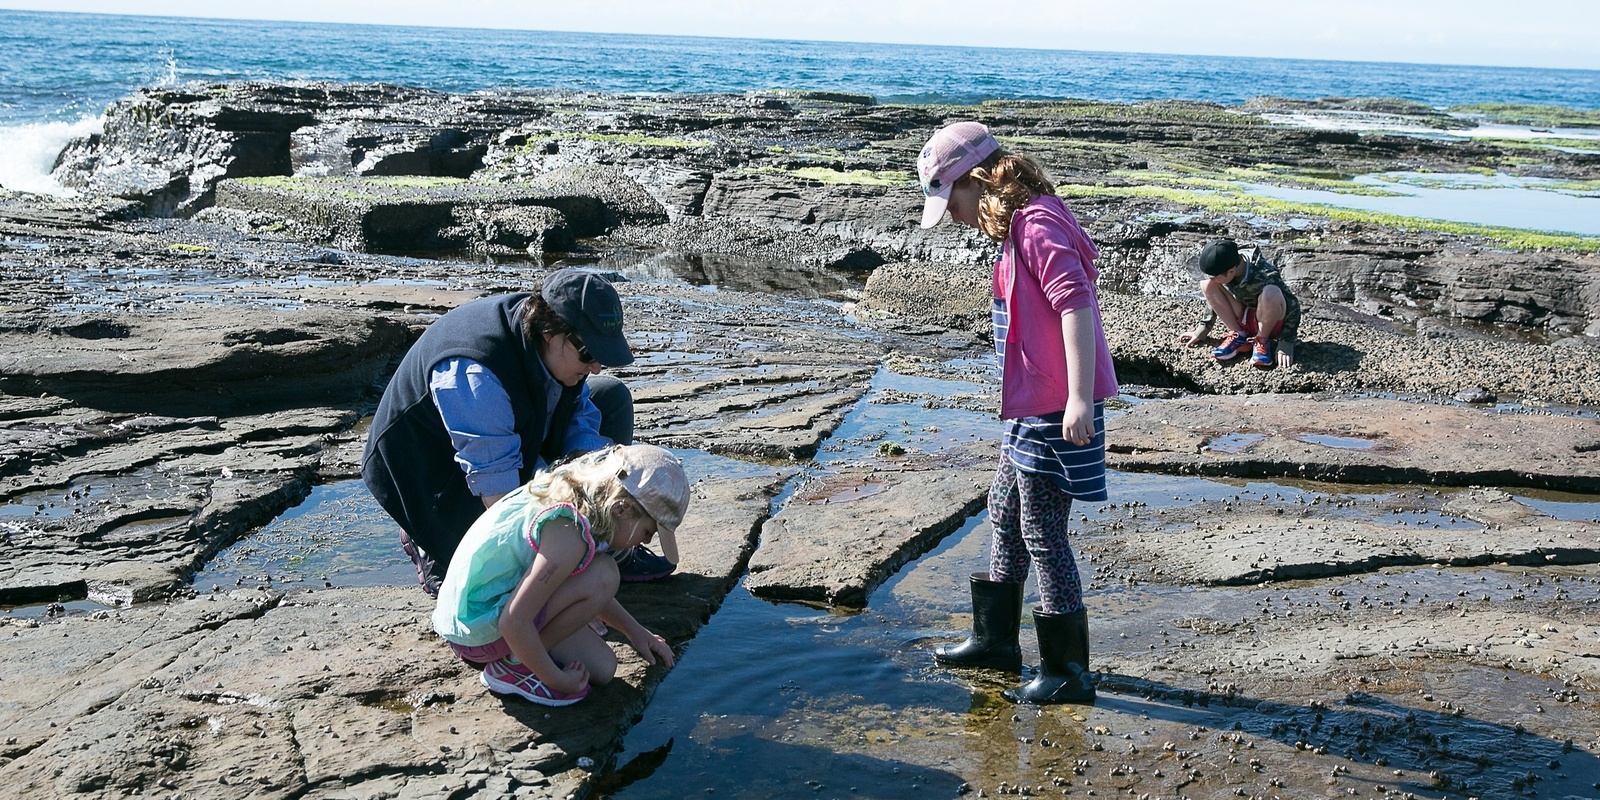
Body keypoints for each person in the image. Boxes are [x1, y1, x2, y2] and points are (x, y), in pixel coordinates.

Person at [916, 121, 1118, 705]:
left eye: (950, 200)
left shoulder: (1037, 224)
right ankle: (996, 641)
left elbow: (1075, 304)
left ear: (975, 181)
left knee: (1043, 532)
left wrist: (1080, 398)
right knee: (1002, 511)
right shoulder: (1015, 227)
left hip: (1058, 407)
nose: (951, 215)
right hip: (1028, 411)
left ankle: (1067, 671)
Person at [362, 268, 677, 599]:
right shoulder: (476, 374)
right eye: (589, 353)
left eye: (602, 354)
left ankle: (606, 537)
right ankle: (426, 539)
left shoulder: (557, 349)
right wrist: (548, 578)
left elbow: (580, 415)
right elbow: (502, 499)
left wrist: (595, 491)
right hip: (430, 472)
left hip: (508, 435)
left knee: (610, 398)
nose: (596, 365)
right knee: (486, 584)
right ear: (549, 330)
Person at [432, 444, 690, 705]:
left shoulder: (575, 496)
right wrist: (554, 678)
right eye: (648, 532)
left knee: (603, 667)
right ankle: (515, 667)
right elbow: (513, 621)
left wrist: (635, 632)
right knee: (606, 572)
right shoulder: (568, 531)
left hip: (476, 620)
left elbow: (585, 589)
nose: (643, 542)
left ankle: (519, 657)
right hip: (480, 629)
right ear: (622, 509)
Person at [1176, 238, 1301, 369]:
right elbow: (1213, 298)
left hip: (1269, 321)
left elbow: (1293, 305)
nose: (1212, 279)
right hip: (1245, 316)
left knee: (1272, 292)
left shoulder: (1265, 274)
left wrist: (1286, 341)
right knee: (1207, 285)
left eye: (1215, 276)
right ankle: (1239, 335)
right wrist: (1203, 329)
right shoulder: (1228, 264)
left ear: (1231, 271)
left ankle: (1261, 341)